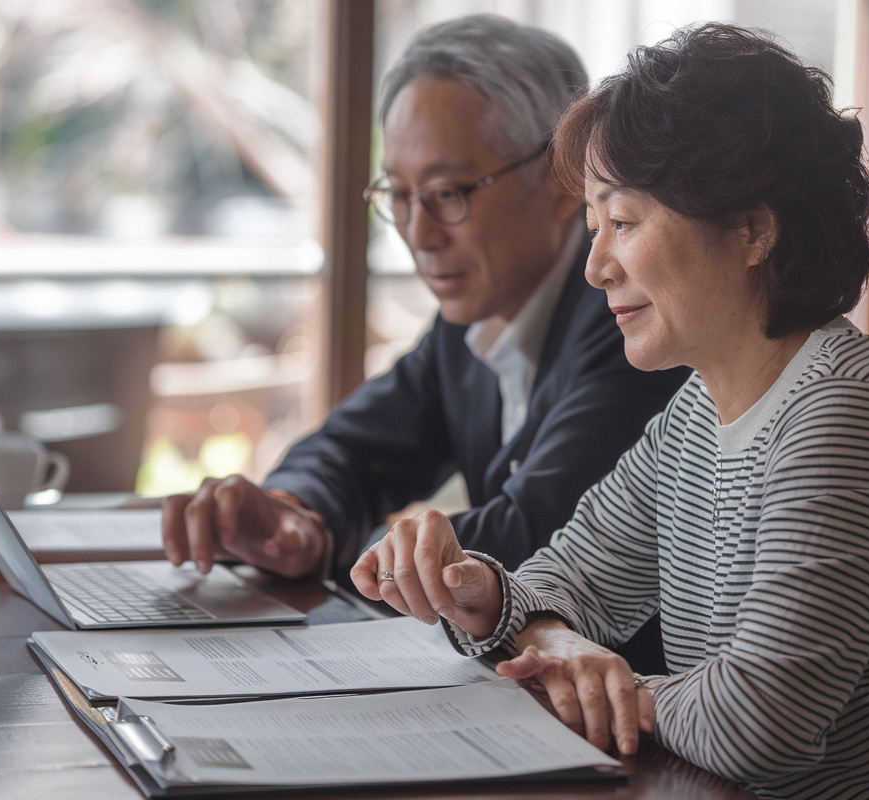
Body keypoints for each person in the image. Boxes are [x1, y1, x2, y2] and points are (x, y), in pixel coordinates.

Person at [352, 23, 869, 800]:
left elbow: (759, 729)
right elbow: (567, 581)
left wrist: (598, 678)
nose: (595, 268)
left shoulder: (848, 413)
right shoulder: (695, 412)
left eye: (622, 223)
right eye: (593, 228)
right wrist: (490, 597)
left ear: (752, 229)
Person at [161, 18, 687, 602]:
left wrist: (364, 562)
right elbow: (354, 449)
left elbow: (536, 539)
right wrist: (291, 516)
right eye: (398, 195)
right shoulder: (475, 319)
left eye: (446, 193)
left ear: (562, 180)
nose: (418, 234)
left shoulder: (632, 322)